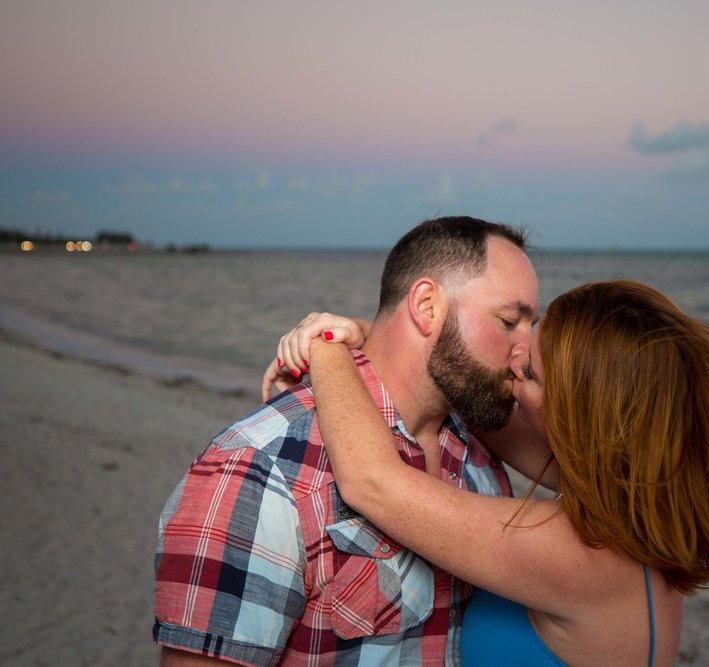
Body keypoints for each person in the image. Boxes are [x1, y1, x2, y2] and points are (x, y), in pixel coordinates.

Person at [269, 280, 709, 666]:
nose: (512, 363)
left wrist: (324, 344)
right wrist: (379, 334)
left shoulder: (583, 555)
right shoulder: (627, 504)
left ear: (581, 418)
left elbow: (373, 483)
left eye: (529, 373)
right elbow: (469, 400)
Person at [153, 216, 541, 666]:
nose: (525, 350)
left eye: (531, 326)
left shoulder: (479, 448)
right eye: (509, 321)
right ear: (427, 306)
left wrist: (346, 337)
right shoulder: (257, 470)